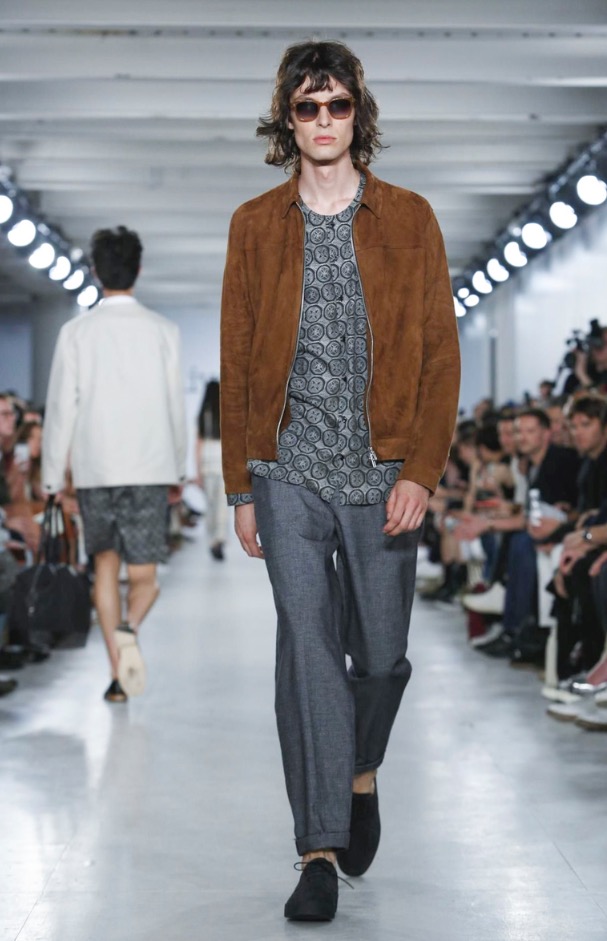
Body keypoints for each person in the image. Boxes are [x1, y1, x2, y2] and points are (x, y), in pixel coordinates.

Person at [220, 40, 460, 921]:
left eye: (337, 105)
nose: (323, 120)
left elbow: (439, 355)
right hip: (286, 468)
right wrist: (240, 486)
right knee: (308, 647)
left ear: (359, 113)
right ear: (286, 121)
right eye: (306, 106)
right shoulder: (255, 224)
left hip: (383, 468)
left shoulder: (410, 217)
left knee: (382, 653)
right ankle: (318, 847)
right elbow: (237, 359)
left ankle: (359, 768)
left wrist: (422, 470)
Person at [42, 226, 187, 703]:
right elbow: (175, 405)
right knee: (145, 578)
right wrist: (178, 469)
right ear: (138, 270)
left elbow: (61, 408)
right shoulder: (164, 331)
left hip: (96, 468)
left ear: (95, 271)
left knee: (105, 566)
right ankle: (130, 628)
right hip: (149, 467)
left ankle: (116, 673)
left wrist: (51, 478)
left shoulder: (75, 332)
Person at [196, 379, 227, 560]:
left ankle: (211, 540)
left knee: (210, 504)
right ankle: (220, 538)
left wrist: (198, 471)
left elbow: (198, 443)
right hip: (222, 460)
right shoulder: (225, 412)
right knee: (222, 504)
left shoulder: (203, 414)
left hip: (207, 460)